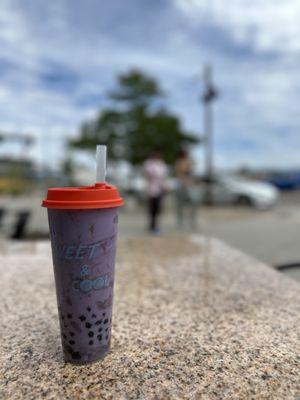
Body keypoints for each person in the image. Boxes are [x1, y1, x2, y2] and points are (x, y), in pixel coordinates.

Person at [143, 150, 167, 234]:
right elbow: (147, 176)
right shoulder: (149, 164)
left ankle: (156, 225)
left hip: (159, 189)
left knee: (158, 208)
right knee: (152, 208)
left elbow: (163, 177)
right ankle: (152, 226)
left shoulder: (161, 164)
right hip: (151, 189)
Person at [174, 149, 198, 229]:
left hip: (190, 185)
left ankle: (192, 220)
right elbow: (179, 173)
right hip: (181, 185)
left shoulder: (189, 162)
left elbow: (191, 173)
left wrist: (192, 181)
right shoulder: (178, 162)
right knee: (180, 205)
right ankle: (180, 221)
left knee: (193, 202)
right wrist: (184, 181)